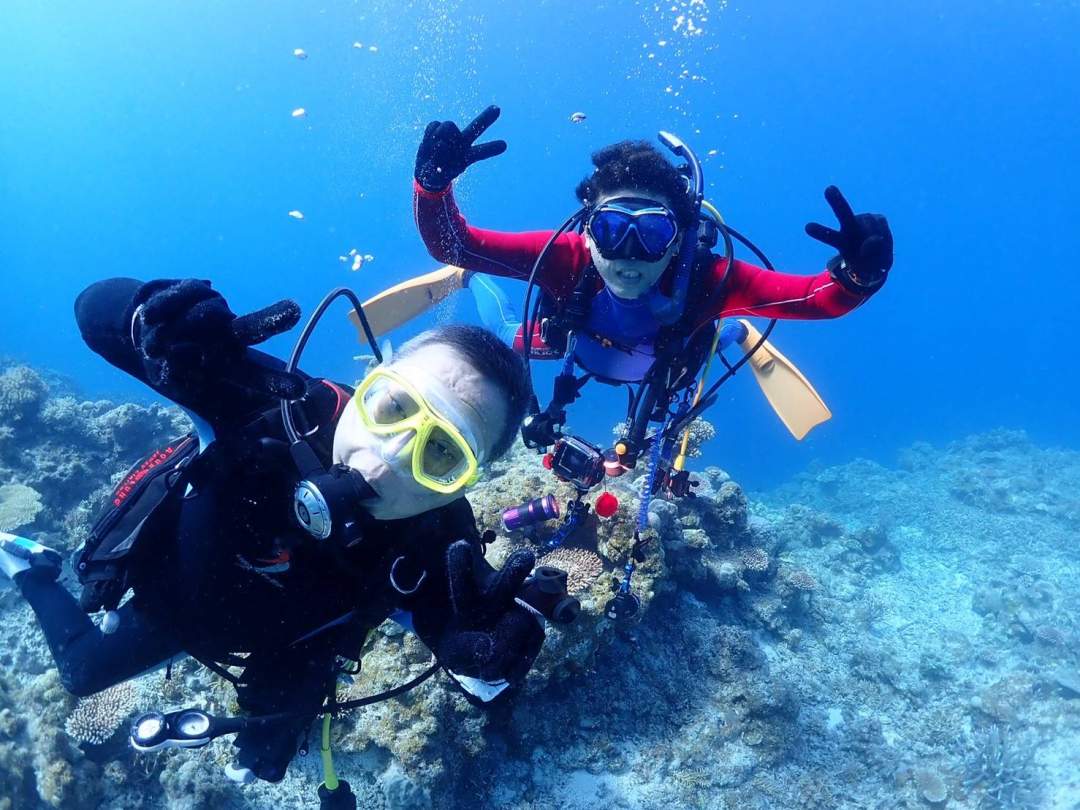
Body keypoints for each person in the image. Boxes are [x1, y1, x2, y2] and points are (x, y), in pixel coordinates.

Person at [0, 276, 560, 786]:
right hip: (180, 599)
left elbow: (472, 640)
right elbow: (90, 308)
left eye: (442, 451)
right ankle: (33, 571)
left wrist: (488, 659)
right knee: (82, 672)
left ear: (461, 485)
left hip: (293, 648)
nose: (387, 460)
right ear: (369, 378)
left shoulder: (439, 535)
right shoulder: (273, 403)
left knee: (263, 763)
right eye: (393, 406)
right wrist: (148, 315)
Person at [402, 106, 893, 464]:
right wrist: (432, 188)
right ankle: (471, 285)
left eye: (652, 232)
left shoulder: (709, 279)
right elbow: (453, 245)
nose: (629, 256)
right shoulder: (565, 257)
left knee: (715, 338)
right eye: (613, 229)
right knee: (508, 331)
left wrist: (860, 274)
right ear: (588, 230)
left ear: (678, 238)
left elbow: (817, 299)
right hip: (572, 342)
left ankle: (737, 331)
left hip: (666, 360)